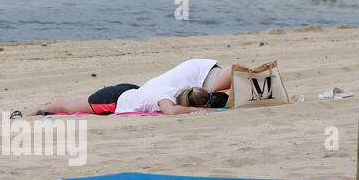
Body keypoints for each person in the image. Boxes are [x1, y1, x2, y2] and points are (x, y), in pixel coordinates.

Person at [21, 58, 231, 116]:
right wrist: (199, 110)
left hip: (131, 90)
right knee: (68, 108)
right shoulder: (166, 99)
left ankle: (46, 107)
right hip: (114, 99)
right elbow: (171, 111)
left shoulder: (178, 92)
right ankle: (36, 111)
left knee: (73, 104)